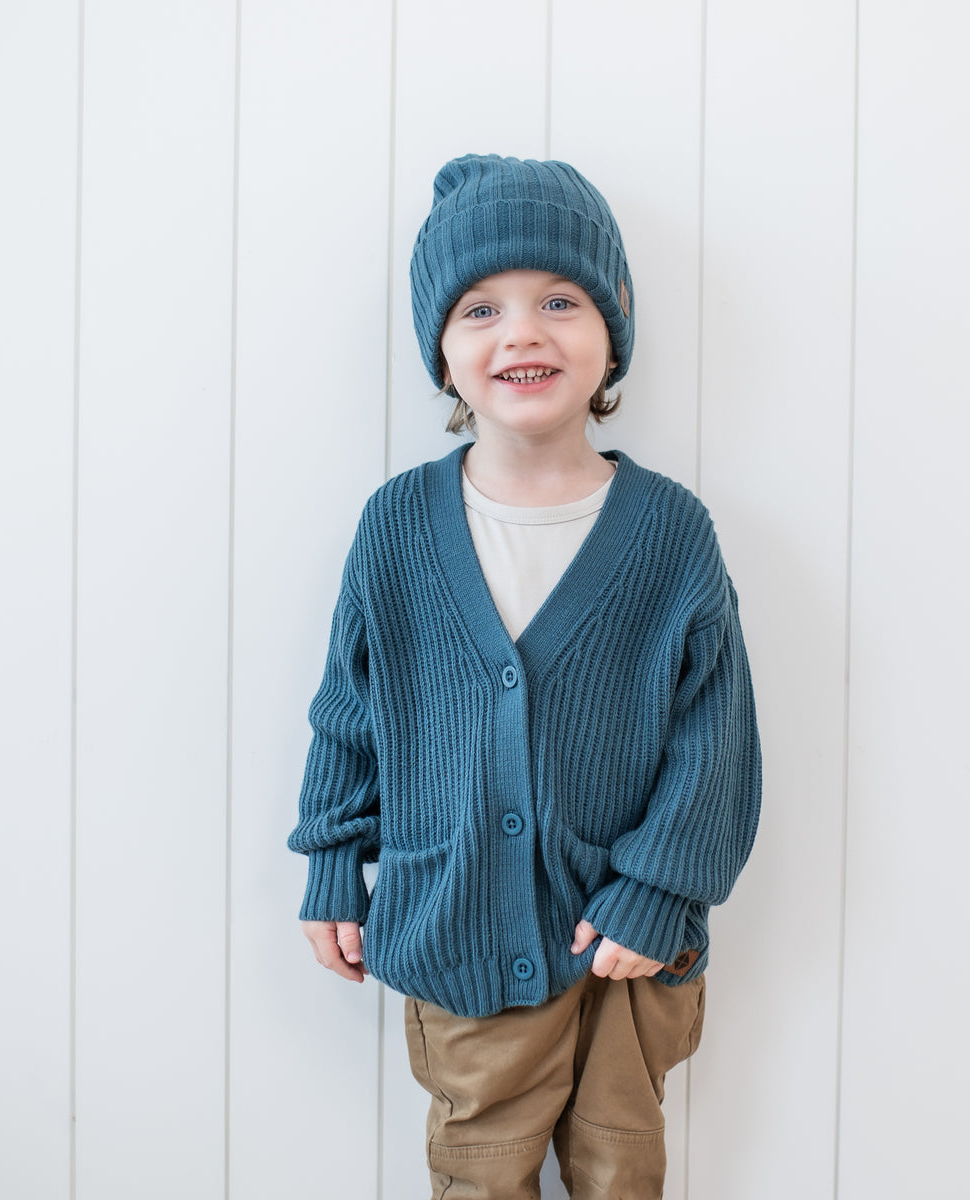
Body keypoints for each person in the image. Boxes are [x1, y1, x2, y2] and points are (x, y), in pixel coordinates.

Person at [288, 153, 761, 1199]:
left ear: (613, 328)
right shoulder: (399, 528)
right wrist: (332, 859)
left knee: (622, 1168)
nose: (523, 332)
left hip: (631, 952)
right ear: (442, 353)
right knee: (479, 1170)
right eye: (480, 309)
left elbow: (714, 735)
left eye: (560, 299)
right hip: (461, 927)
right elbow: (349, 709)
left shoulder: (670, 534)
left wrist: (659, 888)